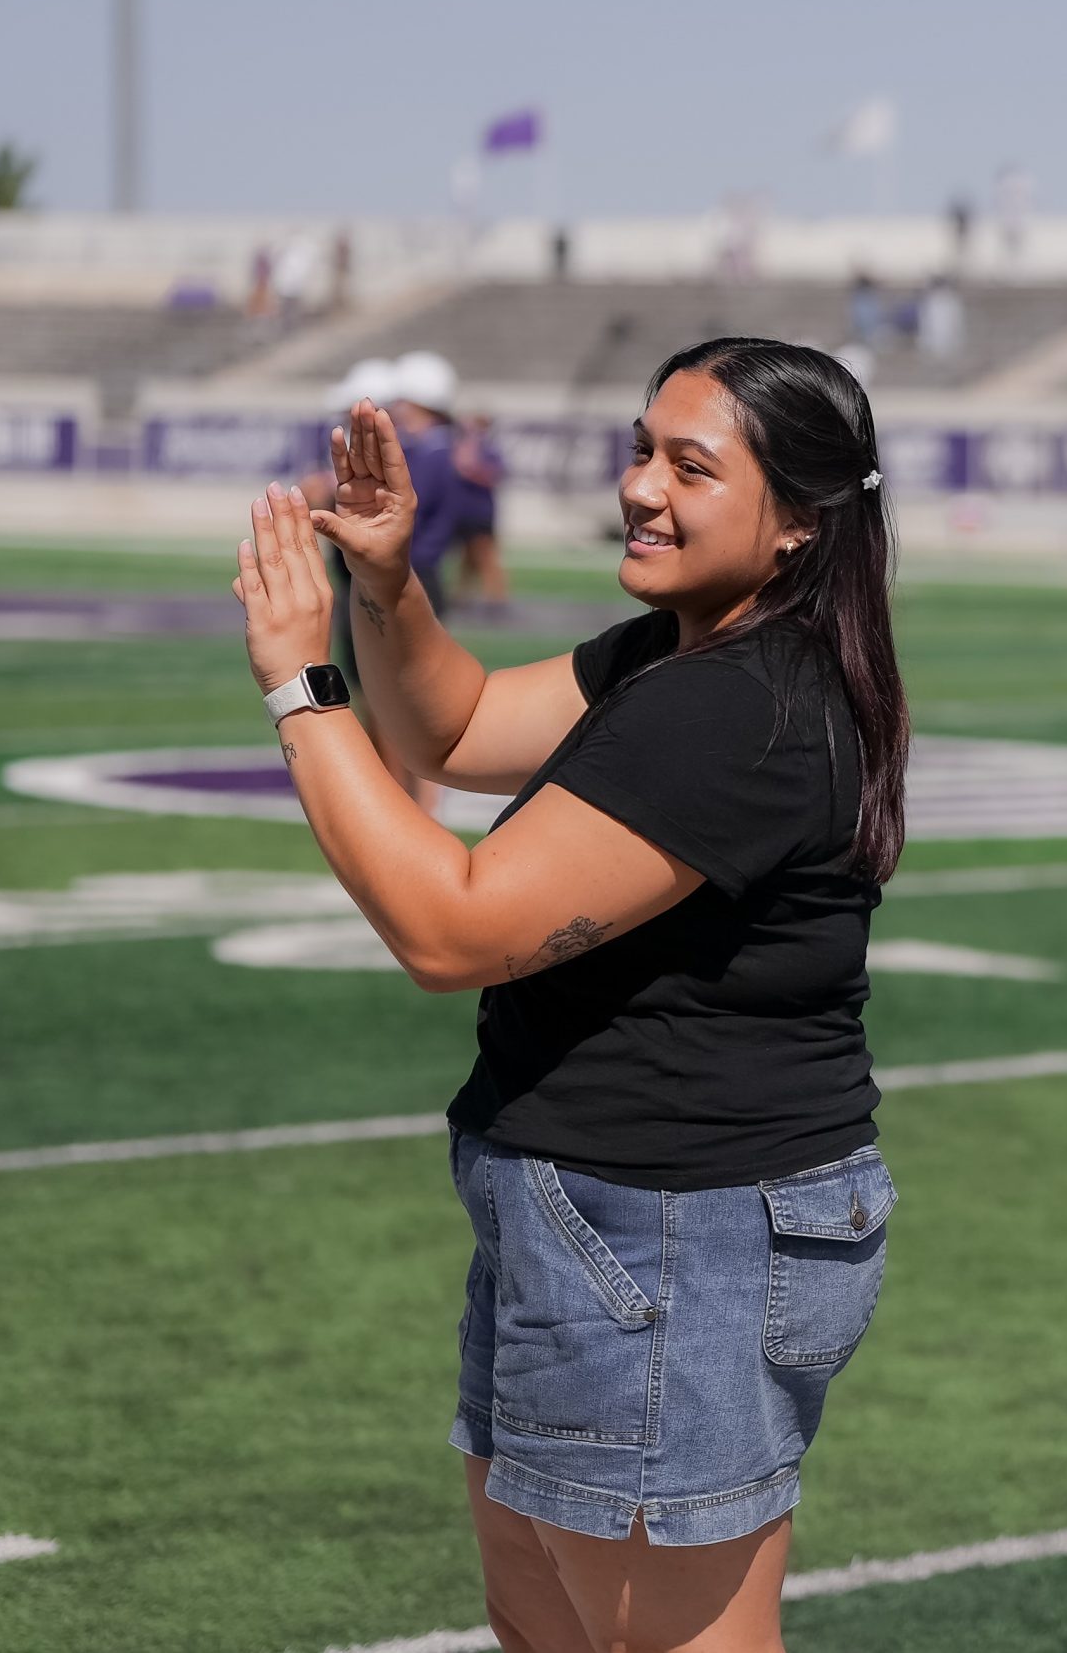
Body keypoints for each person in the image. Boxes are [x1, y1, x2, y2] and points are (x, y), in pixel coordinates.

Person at [229, 337, 906, 1653]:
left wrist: (300, 686)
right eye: (643, 447)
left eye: (690, 466)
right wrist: (383, 579)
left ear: (796, 527)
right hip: (613, 1213)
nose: (640, 485)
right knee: (540, 1616)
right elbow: (459, 727)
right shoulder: (687, 652)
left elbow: (450, 928)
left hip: (672, 1225)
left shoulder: (736, 704)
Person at [451, 413, 512, 610]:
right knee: (467, 557)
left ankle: (496, 597)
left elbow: (494, 474)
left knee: (485, 554)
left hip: (480, 512)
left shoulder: (488, 449)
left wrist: (471, 470)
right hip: (463, 511)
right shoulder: (459, 446)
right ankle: (463, 595)